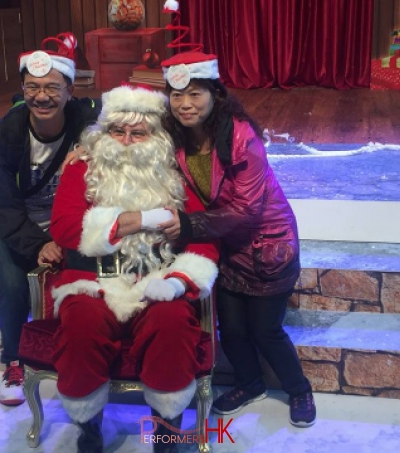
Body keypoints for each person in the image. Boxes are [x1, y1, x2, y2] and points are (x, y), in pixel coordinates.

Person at [47, 83, 219, 453]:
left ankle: (166, 429)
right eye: (117, 130)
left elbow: (203, 235)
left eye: (138, 131)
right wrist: (143, 218)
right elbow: (64, 229)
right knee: (80, 325)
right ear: (103, 132)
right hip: (93, 281)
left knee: (172, 323)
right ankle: (88, 426)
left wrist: (177, 281)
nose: (126, 139)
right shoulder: (82, 170)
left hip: (157, 277)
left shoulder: (176, 172)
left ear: (155, 135)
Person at [156, 50, 317, 428]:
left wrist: (189, 225)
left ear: (216, 94)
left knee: (266, 330)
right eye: (177, 95)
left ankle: (298, 389)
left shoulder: (243, 138)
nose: (184, 104)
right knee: (231, 329)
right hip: (226, 244)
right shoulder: (175, 134)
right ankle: (250, 383)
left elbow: (247, 211)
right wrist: (85, 148)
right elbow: (124, 125)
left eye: (195, 94)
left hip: (267, 246)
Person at [0, 32, 100, 406]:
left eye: (51, 87)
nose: (41, 96)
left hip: (63, 213)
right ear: (23, 88)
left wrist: (90, 144)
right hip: (9, 214)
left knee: (84, 271)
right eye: (32, 87)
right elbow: (4, 202)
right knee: (13, 285)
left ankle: (74, 348)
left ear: (70, 88)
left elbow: (113, 114)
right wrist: (38, 243)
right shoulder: (4, 134)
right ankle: (12, 361)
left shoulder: (86, 119)